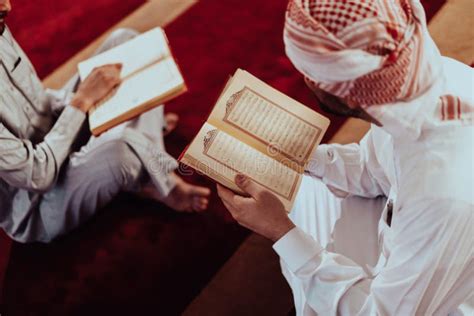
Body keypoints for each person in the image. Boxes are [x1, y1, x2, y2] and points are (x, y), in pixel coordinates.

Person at [217, 0, 473, 314]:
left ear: (347, 92)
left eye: (308, 73)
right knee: (293, 190)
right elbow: (376, 169)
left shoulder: (440, 193)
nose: (306, 81)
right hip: (410, 231)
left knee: (308, 288)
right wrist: (301, 156)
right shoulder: (411, 78)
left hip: (437, 295)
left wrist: (280, 231)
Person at [0, 0, 210, 243]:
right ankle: (156, 176)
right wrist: (82, 102)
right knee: (119, 149)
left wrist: (93, 104)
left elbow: (37, 99)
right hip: (38, 203)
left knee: (128, 43)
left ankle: (139, 154)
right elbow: (38, 175)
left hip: (56, 135)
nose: (7, 6)